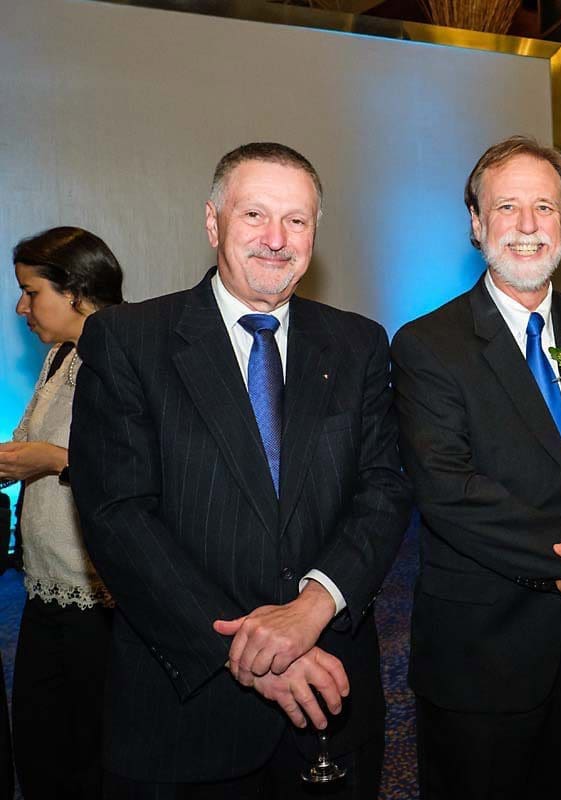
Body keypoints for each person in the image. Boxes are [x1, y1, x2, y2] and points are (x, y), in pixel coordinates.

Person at [70, 143, 412, 798]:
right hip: (187, 704)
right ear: (213, 221)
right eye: (255, 214)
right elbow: (119, 517)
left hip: (330, 695)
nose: (276, 239)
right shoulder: (128, 339)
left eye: (296, 220)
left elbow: (383, 488)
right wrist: (247, 649)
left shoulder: (359, 342)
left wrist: (313, 606)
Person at [391, 136, 561, 800]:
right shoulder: (429, 344)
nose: (527, 225)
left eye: (544, 207)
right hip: (483, 651)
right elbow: (449, 488)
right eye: (507, 207)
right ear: (476, 223)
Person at [1, 227, 123, 799]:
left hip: (104, 597)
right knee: (40, 741)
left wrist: (52, 460)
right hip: (46, 583)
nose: (21, 308)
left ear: (74, 290)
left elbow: (141, 469)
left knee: (93, 748)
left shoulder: (125, 354)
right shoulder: (59, 356)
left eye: (31, 292)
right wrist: (25, 458)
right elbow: (26, 443)